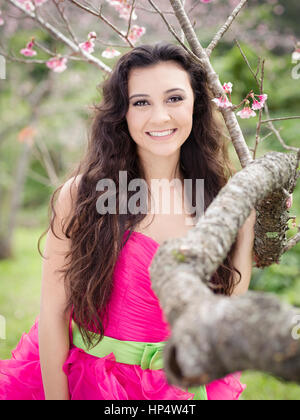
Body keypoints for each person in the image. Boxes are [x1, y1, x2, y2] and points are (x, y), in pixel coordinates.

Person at [0, 42, 253, 400]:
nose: (160, 117)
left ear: (196, 105)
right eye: (141, 102)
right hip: (93, 384)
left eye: (174, 99)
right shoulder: (82, 197)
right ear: (123, 113)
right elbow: (54, 314)